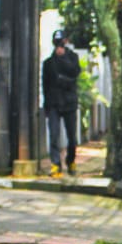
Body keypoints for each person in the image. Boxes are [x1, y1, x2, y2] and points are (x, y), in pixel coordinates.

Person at [42, 29, 80, 176]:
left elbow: (75, 72)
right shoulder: (48, 63)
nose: (59, 46)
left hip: (69, 103)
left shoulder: (73, 58)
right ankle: (55, 164)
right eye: (57, 43)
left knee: (72, 137)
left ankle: (71, 161)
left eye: (61, 42)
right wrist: (46, 105)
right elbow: (45, 84)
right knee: (54, 135)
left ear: (66, 42)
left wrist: (64, 58)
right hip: (54, 104)